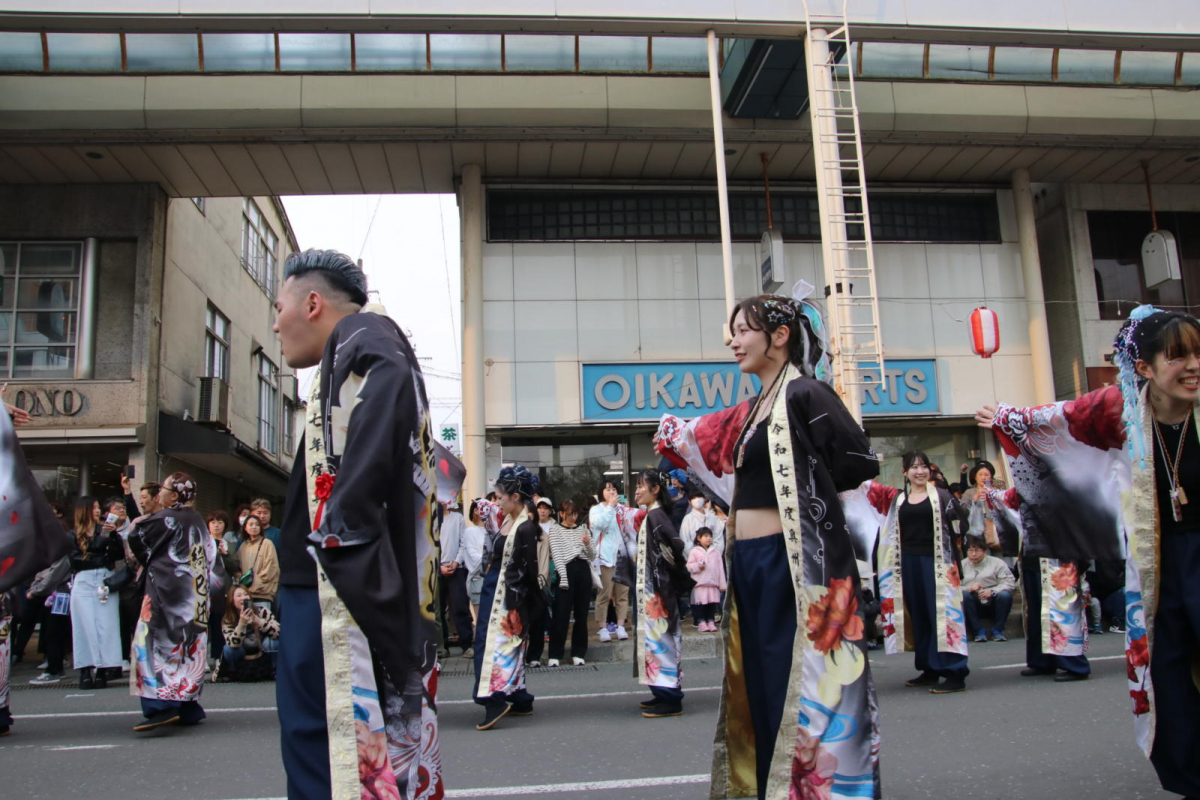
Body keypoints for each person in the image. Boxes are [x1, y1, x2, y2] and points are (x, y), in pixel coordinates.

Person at [656, 292, 882, 800]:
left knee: (795, 678)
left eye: (743, 331)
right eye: (732, 332)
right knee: (755, 681)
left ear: (779, 337)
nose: (733, 341)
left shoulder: (806, 394)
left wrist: (812, 502)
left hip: (792, 562)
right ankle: (768, 787)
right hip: (751, 563)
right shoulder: (755, 407)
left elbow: (857, 460)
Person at [978, 305, 1200, 797]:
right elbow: (1055, 420)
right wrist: (1008, 418)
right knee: (1165, 666)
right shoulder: (1119, 409)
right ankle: (1190, 775)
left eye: (1198, 354)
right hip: (1157, 561)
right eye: (1177, 356)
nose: (1192, 367)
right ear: (1142, 367)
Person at [272, 249, 443, 799]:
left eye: (279, 307)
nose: (275, 323)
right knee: (327, 745)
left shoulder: (364, 334)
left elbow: (390, 379)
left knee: (329, 748)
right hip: (328, 575)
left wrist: (343, 526)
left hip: (336, 580)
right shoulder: (344, 360)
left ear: (313, 303)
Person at [870, 451, 970, 693]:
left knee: (944, 615)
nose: (920, 471)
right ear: (905, 472)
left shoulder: (943, 496)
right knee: (920, 615)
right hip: (908, 563)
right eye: (913, 467)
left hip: (938, 564)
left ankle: (955, 671)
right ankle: (929, 668)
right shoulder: (899, 500)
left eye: (924, 466)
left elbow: (961, 525)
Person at [127, 472, 218, 731]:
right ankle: (188, 707)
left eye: (164, 489)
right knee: (189, 654)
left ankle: (161, 706)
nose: (160, 494)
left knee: (155, 647)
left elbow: (137, 537)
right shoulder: (197, 520)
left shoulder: (165, 518)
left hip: (167, 596)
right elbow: (211, 558)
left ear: (175, 495)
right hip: (195, 598)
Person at [473, 466, 543, 731]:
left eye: (500, 497)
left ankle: (495, 699)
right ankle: (519, 698)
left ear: (515, 496)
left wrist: (527, 604)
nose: (497, 502)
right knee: (506, 646)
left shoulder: (525, 526)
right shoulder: (507, 520)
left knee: (493, 647)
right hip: (497, 589)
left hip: (508, 597)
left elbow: (529, 570)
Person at [629, 468, 692, 718]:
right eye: (636, 486)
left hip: (659, 591)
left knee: (662, 640)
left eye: (641, 486)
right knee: (654, 640)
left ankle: (671, 697)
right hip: (653, 590)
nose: (636, 491)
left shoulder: (657, 516)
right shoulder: (652, 515)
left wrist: (667, 568)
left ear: (655, 489)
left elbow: (676, 545)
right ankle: (661, 692)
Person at [68, 496, 124, 689]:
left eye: (98, 507)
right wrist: (100, 545)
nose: (98, 511)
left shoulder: (105, 531)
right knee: (84, 626)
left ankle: (103, 669)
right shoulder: (73, 535)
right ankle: (85, 669)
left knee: (106, 625)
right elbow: (76, 561)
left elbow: (117, 556)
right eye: (94, 507)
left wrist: (114, 536)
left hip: (104, 580)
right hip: (83, 581)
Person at [546, 498, 597, 666]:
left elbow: (592, 556)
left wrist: (588, 544)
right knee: (561, 614)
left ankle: (579, 652)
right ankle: (555, 653)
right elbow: (558, 555)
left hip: (583, 570)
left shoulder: (583, 529)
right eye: (569, 514)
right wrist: (564, 577)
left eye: (575, 514)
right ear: (561, 514)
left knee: (582, 614)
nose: (573, 518)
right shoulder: (555, 530)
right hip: (565, 570)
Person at [589, 479, 630, 643]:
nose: (611, 491)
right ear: (601, 492)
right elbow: (598, 525)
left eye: (613, 489)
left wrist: (624, 508)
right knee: (604, 594)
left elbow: (630, 527)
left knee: (622, 594)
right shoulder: (596, 510)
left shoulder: (622, 509)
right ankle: (603, 627)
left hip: (622, 556)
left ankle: (621, 626)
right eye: (607, 489)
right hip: (605, 557)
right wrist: (611, 507)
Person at [960, 535, 1016, 642]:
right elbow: (953, 586)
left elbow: (1009, 582)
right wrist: (969, 588)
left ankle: (997, 630)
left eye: (977, 551)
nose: (973, 554)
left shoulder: (997, 563)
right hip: (973, 602)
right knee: (964, 595)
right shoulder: (961, 565)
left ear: (985, 552)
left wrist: (993, 591)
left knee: (1005, 595)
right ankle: (978, 631)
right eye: (970, 551)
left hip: (993, 601)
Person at [219, 585, 280, 681]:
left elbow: (279, 632)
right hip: (242, 654)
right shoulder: (228, 619)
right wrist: (242, 624)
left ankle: (275, 671)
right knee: (228, 649)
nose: (243, 598)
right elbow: (232, 643)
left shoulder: (261, 611)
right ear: (232, 600)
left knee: (273, 642)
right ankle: (233, 673)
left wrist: (259, 621)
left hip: (261, 652)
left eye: (246, 594)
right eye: (239, 595)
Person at [439, 500, 474, 653]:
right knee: (437, 610)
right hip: (437, 568)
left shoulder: (457, 518)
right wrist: (439, 566)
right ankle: (442, 646)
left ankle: (466, 644)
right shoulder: (430, 520)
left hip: (456, 568)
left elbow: (463, 542)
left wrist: (456, 562)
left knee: (460, 606)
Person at [686, 527, 725, 632]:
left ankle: (711, 621)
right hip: (700, 583)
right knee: (700, 604)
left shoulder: (716, 552)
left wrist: (722, 584)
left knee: (711, 604)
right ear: (699, 538)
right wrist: (698, 566)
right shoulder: (694, 551)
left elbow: (720, 568)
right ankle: (701, 622)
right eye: (706, 536)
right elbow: (689, 566)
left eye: (710, 536)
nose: (709, 538)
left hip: (712, 583)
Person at [236, 514, 279, 608]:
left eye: (257, 524)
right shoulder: (243, 546)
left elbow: (271, 569)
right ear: (245, 528)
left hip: (263, 594)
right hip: (246, 595)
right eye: (251, 524)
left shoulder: (267, 543)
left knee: (262, 621)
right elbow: (238, 568)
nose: (254, 527)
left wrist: (256, 585)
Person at [463, 500, 488, 653]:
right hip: (477, 577)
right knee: (480, 619)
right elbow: (472, 556)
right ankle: (481, 650)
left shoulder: (493, 530)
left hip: (492, 576)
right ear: (476, 511)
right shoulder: (470, 531)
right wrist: (488, 559)